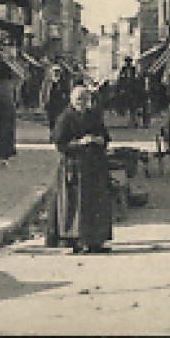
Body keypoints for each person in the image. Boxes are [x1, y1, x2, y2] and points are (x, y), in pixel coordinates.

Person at [46, 86, 113, 254]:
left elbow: (105, 136)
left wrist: (99, 139)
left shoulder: (93, 116)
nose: (83, 103)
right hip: (74, 167)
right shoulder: (65, 118)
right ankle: (76, 241)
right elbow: (60, 144)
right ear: (72, 100)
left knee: (96, 204)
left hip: (94, 167)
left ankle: (95, 241)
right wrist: (80, 143)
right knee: (75, 205)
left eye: (85, 100)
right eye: (79, 100)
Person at [44, 65, 71, 132]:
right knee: (51, 119)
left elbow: (67, 92)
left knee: (59, 119)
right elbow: (44, 92)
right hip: (50, 104)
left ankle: (58, 133)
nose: (56, 73)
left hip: (59, 104)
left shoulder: (63, 82)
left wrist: (66, 101)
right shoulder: (48, 82)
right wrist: (43, 102)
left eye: (58, 71)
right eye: (54, 71)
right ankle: (52, 133)